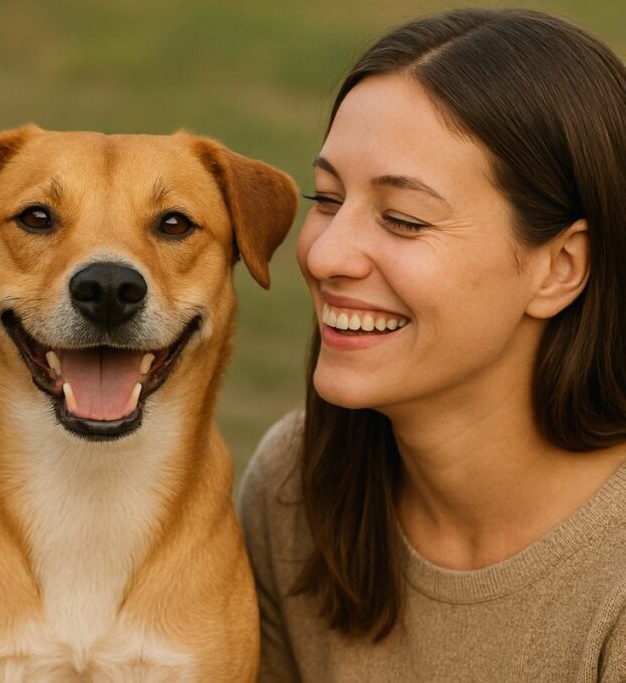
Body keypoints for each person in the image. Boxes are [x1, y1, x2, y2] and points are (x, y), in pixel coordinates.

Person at [240, 8, 626, 681]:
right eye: (326, 197)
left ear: (560, 266)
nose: (326, 252)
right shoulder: (292, 489)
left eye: (403, 219)